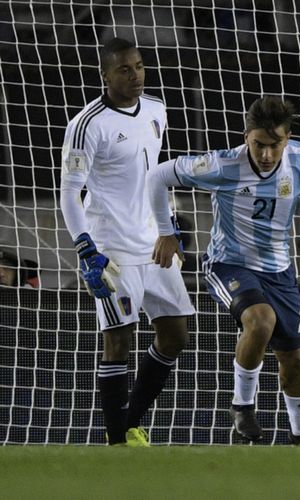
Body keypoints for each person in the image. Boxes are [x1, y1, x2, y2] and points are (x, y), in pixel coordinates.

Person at [146, 95, 300, 445]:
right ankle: (242, 406)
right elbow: (157, 176)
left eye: (275, 145)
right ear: (246, 137)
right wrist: (167, 232)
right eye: (259, 144)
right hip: (230, 263)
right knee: (260, 320)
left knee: (294, 361)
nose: (267, 154)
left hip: (279, 270)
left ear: (287, 139)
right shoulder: (222, 165)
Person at [59, 38, 195, 447]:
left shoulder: (156, 109)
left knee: (176, 335)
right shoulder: (87, 124)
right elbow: (69, 193)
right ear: (105, 74)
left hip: (153, 243)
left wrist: (168, 228)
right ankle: (118, 441)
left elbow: (151, 176)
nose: (135, 75)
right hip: (111, 247)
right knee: (119, 338)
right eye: (124, 69)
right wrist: (87, 250)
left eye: (138, 66)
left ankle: (127, 422)